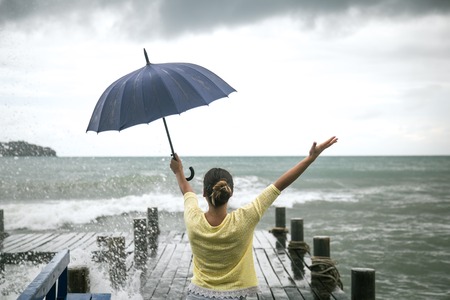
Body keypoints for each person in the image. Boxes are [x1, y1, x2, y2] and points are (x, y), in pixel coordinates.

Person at [170, 136, 338, 300]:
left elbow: (186, 189)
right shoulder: (245, 219)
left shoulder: (193, 219)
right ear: (230, 192)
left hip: (197, 294)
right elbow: (278, 186)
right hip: (235, 295)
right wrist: (310, 158)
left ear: (205, 193)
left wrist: (179, 171)